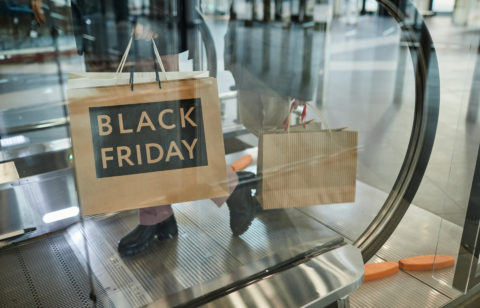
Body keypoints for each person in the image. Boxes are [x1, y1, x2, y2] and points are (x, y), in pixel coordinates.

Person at [30, 0, 261, 256]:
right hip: (101, 29)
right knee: (129, 137)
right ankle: (161, 214)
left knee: (163, 134)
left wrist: (154, 14)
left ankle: (229, 188)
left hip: (140, 30)